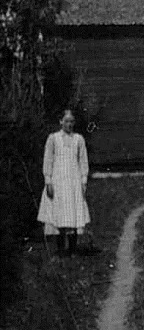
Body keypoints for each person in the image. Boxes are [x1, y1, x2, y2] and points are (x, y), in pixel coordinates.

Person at [38, 109, 92, 257]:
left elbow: (83, 161)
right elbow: (48, 160)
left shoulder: (78, 139)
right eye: (66, 121)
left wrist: (83, 181)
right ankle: (61, 250)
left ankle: (73, 250)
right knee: (59, 215)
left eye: (71, 121)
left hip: (73, 182)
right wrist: (48, 181)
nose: (69, 124)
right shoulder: (53, 138)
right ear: (61, 121)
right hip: (58, 181)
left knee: (73, 215)